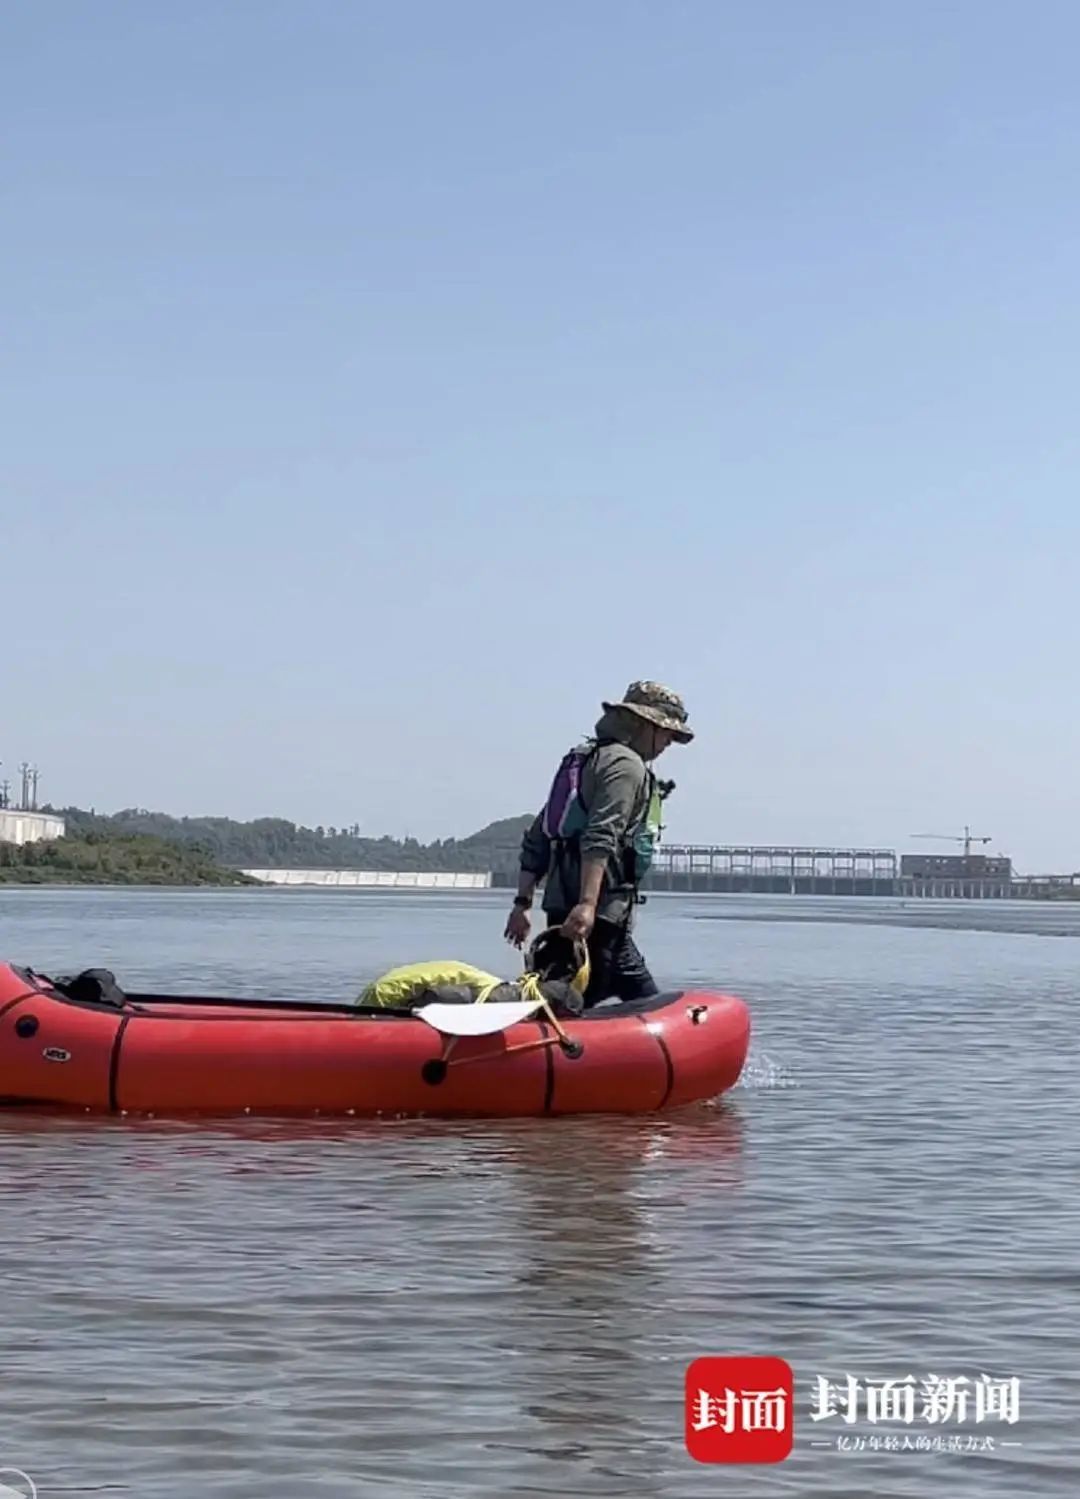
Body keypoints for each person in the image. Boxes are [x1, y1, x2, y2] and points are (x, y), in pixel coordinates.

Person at [504, 680, 694, 1007]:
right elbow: (601, 835)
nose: (668, 743)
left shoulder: (585, 760)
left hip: (566, 909)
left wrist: (522, 904)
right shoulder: (626, 766)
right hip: (598, 916)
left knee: (582, 994)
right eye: (666, 733)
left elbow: (539, 836)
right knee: (595, 995)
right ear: (643, 724)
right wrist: (587, 905)